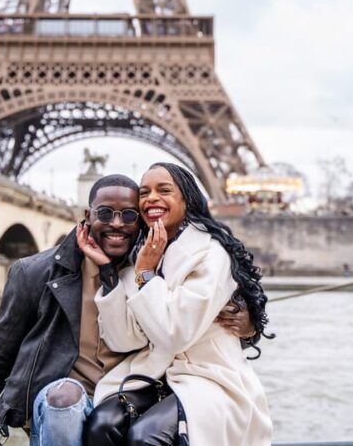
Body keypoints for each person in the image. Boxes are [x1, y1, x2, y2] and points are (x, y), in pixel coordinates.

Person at [0, 174, 253, 446]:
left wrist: (248, 323)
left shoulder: (152, 267)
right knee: (66, 400)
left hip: (132, 394)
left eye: (129, 215)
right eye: (105, 213)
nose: (117, 224)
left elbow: (192, 324)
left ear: (141, 221)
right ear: (88, 215)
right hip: (65, 399)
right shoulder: (35, 273)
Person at [76, 163, 273, 446]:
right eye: (145, 192)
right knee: (101, 425)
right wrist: (109, 273)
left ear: (187, 200)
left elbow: (175, 335)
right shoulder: (139, 255)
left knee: (146, 437)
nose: (151, 198)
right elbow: (124, 340)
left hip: (207, 377)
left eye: (164, 190)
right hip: (153, 375)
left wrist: (146, 275)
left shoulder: (210, 254)